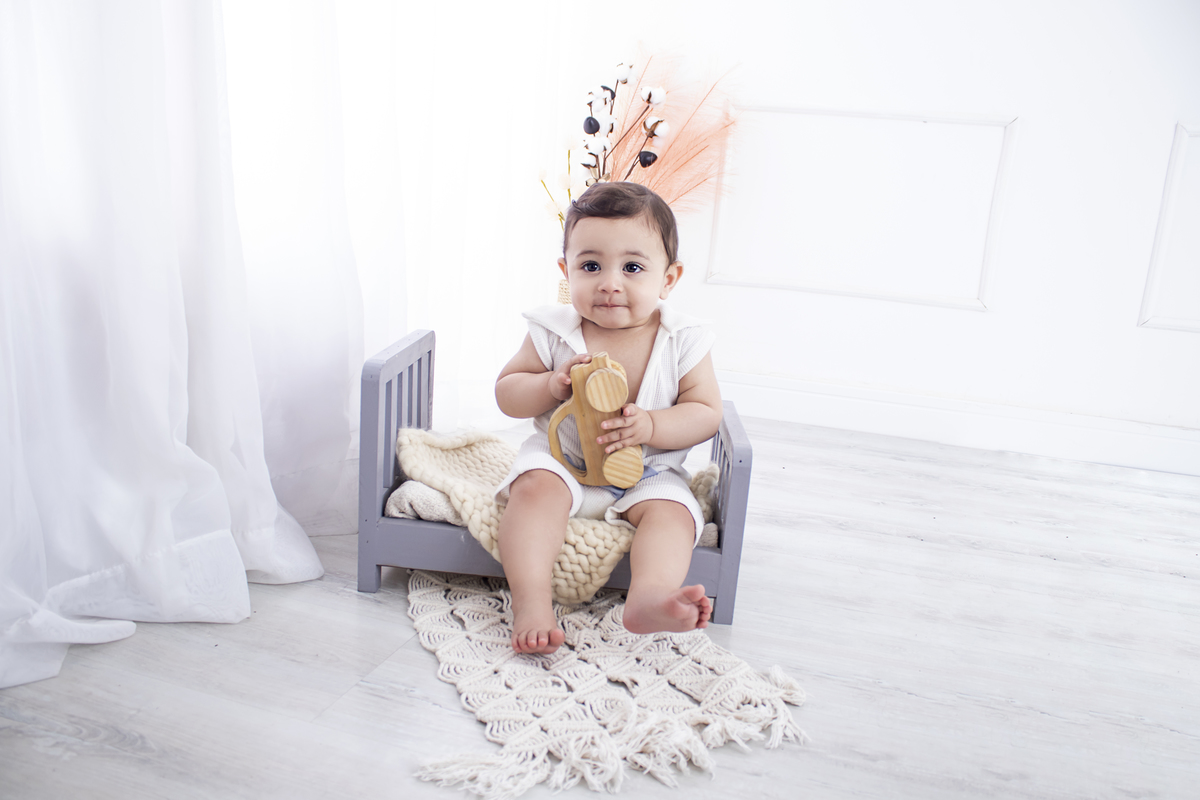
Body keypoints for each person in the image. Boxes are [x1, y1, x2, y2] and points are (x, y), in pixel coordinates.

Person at [494, 181, 723, 655]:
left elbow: (705, 413)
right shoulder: (553, 332)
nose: (610, 282)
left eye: (633, 267)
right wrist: (549, 384)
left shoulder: (683, 339)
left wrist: (654, 426)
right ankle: (531, 600)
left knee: (675, 515)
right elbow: (507, 394)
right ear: (566, 270)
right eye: (591, 265)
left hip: (648, 469)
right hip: (566, 459)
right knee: (533, 489)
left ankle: (649, 597)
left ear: (669, 279)